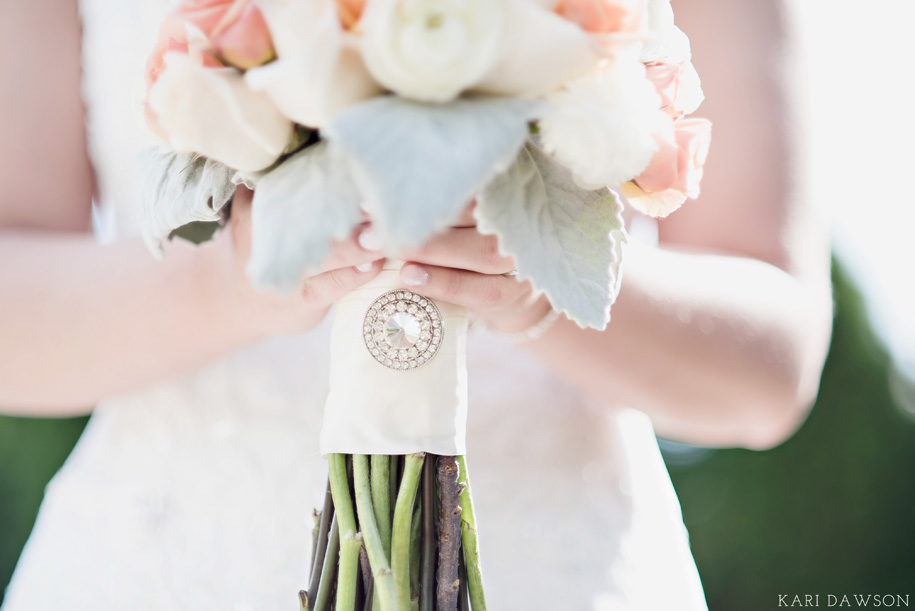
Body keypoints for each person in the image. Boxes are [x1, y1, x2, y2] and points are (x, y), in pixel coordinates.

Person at [0, 0, 832, 608]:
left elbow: (769, 369)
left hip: (558, 565)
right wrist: (234, 274)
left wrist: (545, 281)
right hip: (158, 563)